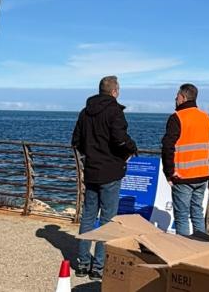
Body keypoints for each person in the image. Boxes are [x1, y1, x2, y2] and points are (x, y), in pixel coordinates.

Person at [72, 75, 137, 280]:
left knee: (88, 216)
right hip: (110, 171)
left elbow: (76, 140)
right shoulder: (114, 111)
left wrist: (90, 154)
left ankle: (83, 263)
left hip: (91, 169)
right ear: (114, 91)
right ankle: (99, 267)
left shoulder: (85, 112)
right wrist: (131, 148)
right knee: (108, 220)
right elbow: (120, 139)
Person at [161, 83, 209, 235]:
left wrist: (169, 172)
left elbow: (168, 146)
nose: (175, 98)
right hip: (202, 175)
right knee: (197, 214)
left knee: (181, 217)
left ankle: (184, 252)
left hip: (182, 176)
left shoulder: (177, 118)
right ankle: (202, 247)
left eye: (177, 96)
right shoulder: (206, 117)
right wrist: (208, 165)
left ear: (183, 97)